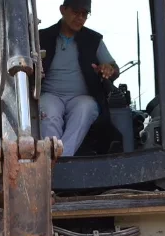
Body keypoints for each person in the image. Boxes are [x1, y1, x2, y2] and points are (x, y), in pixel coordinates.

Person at [39, 0, 120, 157]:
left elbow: (113, 68)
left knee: (86, 108)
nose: (80, 18)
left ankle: (59, 161)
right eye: (76, 12)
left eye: (84, 14)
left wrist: (109, 69)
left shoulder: (93, 40)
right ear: (63, 10)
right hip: (50, 95)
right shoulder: (42, 37)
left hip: (81, 97)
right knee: (48, 112)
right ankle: (53, 159)